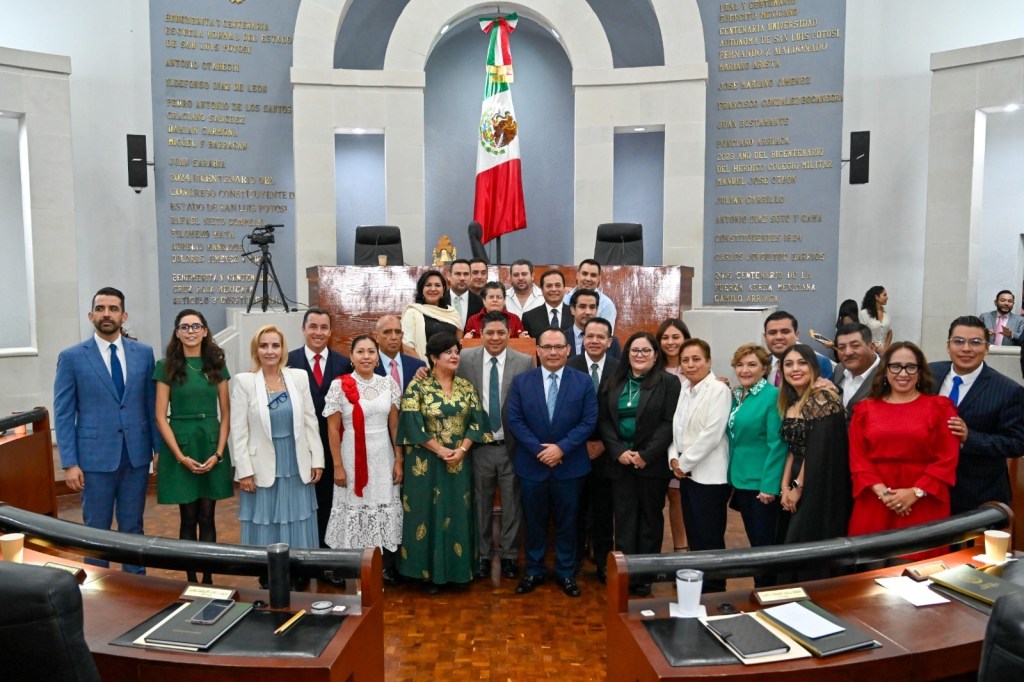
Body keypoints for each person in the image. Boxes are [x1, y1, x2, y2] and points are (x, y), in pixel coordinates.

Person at [54, 287, 160, 574]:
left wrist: (158, 450)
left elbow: (152, 407)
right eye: (100, 308)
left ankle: (136, 590)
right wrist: (70, 463)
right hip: (94, 460)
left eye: (113, 309)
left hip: (135, 457)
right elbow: (63, 414)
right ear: (91, 315)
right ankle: (99, 594)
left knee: (132, 528)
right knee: (95, 532)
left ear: (123, 315)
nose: (106, 314)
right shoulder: (72, 357)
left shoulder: (144, 354)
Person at [396, 331, 491, 592]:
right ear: (433, 357)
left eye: (456, 351)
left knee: (457, 513)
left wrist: (461, 450)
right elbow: (411, 425)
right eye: (448, 352)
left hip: (459, 464)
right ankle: (425, 574)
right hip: (424, 465)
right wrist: (440, 450)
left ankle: (458, 573)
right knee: (425, 514)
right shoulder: (418, 386)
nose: (454, 356)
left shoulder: (466, 386)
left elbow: (478, 422)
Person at [506, 328, 598, 598]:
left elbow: (588, 421)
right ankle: (534, 570)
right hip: (532, 466)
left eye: (559, 347)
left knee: (568, 523)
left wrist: (561, 448)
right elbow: (515, 421)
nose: (553, 352)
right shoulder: (522, 382)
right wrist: (539, 450)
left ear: (569, 350)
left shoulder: (582, 382)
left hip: (570, 466)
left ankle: (566, 573)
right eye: (547, 347)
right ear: (538, 350)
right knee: (533, 523)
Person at [230, 325, 324, 586]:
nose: (270, 351)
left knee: (296, 517)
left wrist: (317, 459)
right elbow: (238, 431)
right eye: (264, 346)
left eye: (275, 345)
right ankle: (269, 572)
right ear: (256, 350)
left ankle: (298, 570)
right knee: (267, 520)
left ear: (283, 349)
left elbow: (310, 422)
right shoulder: (244, 382)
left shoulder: (299, 377)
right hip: (261, 466)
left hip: (296, 463)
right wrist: (244, 470)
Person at [848, 342, 959, 558]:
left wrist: (915, 493)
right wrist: (885, 494)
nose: (903, 373)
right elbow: (858, 458)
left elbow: (947, 458)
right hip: (875, 499)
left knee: (918, 572)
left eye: (911, 367)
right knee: (868, 574)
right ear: (886, 371)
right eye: (896, 366)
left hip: (924, 500)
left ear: (920, 372)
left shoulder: (940, 407)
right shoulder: (864, 410)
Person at [154, 309, 232, 584]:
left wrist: (219, 453)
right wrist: (179, 456)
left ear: (205, 331)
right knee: (188, 518)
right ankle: (191, 581)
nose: (190, 331)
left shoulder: (216, 365)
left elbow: (226, 414)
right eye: (184, 327)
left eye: (195, 326)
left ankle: (208, 580)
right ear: (177, 332)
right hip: (181, 444)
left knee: (208, 517)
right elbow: (160, 416)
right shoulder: (166, 366)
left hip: (210, 443)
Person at [600, 331, 680, 596]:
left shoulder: (668, 383)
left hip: (651, 465)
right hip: (620, 463)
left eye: (646, 351)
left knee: (649, 520)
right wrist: (619, 450)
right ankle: (625, 574)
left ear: (656, 355)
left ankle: (644, 575)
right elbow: (605, 421)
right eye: (635, 350)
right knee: (623, 520)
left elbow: (670, 422)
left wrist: (645, 454)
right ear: (627, 354)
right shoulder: (614, 381)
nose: (640, 355)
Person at [456, 312, 534, 580]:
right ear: (481, 334)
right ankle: (483, 555)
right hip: (479, 446)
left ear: (510, 334)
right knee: (480, 503)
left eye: (501, 332)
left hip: (512, 446)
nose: (496, 337)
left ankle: (510, 556)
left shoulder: (524, 362)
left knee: (513, 504)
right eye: (490, 333)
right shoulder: (465, 360)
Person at [323, 335, 404, 584]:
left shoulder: (388, 384)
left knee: (382, 505)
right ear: (351, 357)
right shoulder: (340, 386)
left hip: (382, 454)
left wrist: (398, 459)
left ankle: (381, 566)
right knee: (353, 508)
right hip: (351, 456)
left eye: (371, 352)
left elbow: (394, 426)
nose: (366, 356)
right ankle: (347, 567)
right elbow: (333, 429)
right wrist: (337, 465)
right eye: (360, 352)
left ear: (377, 357)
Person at [286, 307, 353, 587]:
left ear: (331, 332)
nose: (318, 332)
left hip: (331, 446)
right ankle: (298, 566)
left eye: (324, 327)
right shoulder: (287, 361)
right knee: (299, 506)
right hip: (297, 446)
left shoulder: (343, 363)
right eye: (313, 326)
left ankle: (327, 566)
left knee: (328, 505)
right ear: (303, 329)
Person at [930, 315, 1024, 514]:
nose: (966, 349)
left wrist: (969, 438)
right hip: (928, 490)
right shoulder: (929, 375)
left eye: (975, 342)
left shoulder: (1008, 390)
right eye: (958, 341)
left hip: (977, 498)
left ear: (987, 348)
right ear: (948, 346)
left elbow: (1016, 443)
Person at [667, 338, 732, 592]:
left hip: (709, 476)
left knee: (710, 537)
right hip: (687, 475)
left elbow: (712, 434)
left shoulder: (718, 390)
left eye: (696, 359)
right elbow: (677, 428)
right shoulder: (685, 387)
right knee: (694, 533)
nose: (691, 365)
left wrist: (683, 462)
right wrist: (673, 457)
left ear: (709, 361)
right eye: (685, 360)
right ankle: (697, 584)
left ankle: (714, 589)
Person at [777, 344, 852, 552]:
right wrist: (784, 487)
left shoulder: (823, 398)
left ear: (813, 367)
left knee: (805, 542)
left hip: (818, 480)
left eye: (802, 363)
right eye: (789, 364)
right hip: (795, 479)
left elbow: (816, 451)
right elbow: (793, 449)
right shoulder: (790, 403)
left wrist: (798, 487)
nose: (795, 369)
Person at [726, 343, 786, 586]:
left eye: (752, 364)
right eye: (740, 364)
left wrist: (770, 486)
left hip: (762, 484)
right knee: (755, 543)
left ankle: (768, 592)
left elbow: (777, 443)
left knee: (764, 546)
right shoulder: (736, 394)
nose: (745, 369)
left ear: (764, 368)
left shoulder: (772, 396)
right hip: (741, 479)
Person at [568, 317, 619, 582]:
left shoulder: (620, 368)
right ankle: (573, 564)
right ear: (582, 339)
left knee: (603, 512)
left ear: (609, 342)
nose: (595, 341)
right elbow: (564, 411)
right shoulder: (569, 366)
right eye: (590, 336)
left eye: (601, 337)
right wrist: (582, 442)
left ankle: (602, 564)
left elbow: (620, 414)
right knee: (575, 511)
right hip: (575, 451)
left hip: (608, 454)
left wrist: (602, 443)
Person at [657, 318, 691, 554]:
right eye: (665, 337)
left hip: (685, 445)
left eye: (675, 337)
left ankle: (682, 547)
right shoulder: (652, 368)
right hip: (657, 443)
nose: (670, 342)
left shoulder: (694, 369)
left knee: (678, 495)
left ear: (686, 339)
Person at [402, 270, 462, 359]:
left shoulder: (452, 313)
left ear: (443, 289)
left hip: (450, 367)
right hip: (422, 369)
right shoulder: (412, 312)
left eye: (437, 285)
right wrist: (425, 369)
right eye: (428, 285)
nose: (433, 289)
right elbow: (407, 348)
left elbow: (459, 345)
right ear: (421, 289)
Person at [763, 311, 834, 384]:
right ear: (765, 337)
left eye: (785, 332)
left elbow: (825, 392)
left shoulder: (819, 362)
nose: (779, 337)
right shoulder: (760, 363)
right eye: (772, 333)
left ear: (797, 335)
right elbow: (754, 393)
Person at [835, 323, 880, 418]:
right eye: (841, 347)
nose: (848, 352)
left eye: (855, 345)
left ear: (871, 347)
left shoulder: (888, 374)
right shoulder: (839, 369)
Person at [374, 314, 427, 391]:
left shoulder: (417, 366)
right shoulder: (368, 365)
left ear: (402, 335)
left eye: (398, 332)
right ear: (376, 337)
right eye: (387, 332)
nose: (394, 337)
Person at [563, 259, 617, 332]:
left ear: (598, 279)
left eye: (593, 275)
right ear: (577, 275)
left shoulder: (607, 305)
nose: (588, 279)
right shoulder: (564, 299)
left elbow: (606, 336)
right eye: (585, 274)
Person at [566, 289, 622, 359]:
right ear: (572, 310)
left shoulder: (612, 342)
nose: (588, 312)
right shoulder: (562, 339)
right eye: (582, 307)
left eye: (592, 307)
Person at [464, 282, 529, 338]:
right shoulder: (473, 320)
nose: (495, 300)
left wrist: (523, 339)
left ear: (504, 300)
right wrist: (466, 340)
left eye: (499, 297)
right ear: (484, 300)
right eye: (491, 297)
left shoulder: (515, 319)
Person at [521, 269, 573, 339]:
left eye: (558, 285)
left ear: (564, 288)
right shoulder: (529, 317)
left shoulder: (574, 314)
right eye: (549, 286)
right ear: (542, 290)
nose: (554, 289)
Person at [448, 258, 484, 329]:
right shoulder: (440, 300)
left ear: (470, 277)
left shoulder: (481, 302)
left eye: (466, 274)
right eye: (458, 274)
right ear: (449, 276)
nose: (462, 278)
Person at [859, 285, 893, 351]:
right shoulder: (864, 313)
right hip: (870, 350)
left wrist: (885, 349)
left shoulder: (886, 313)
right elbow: (862, 335)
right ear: (876, 297)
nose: (887, 297)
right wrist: (875, 349)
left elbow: (890, 332)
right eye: (884, 295)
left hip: (884, 351)